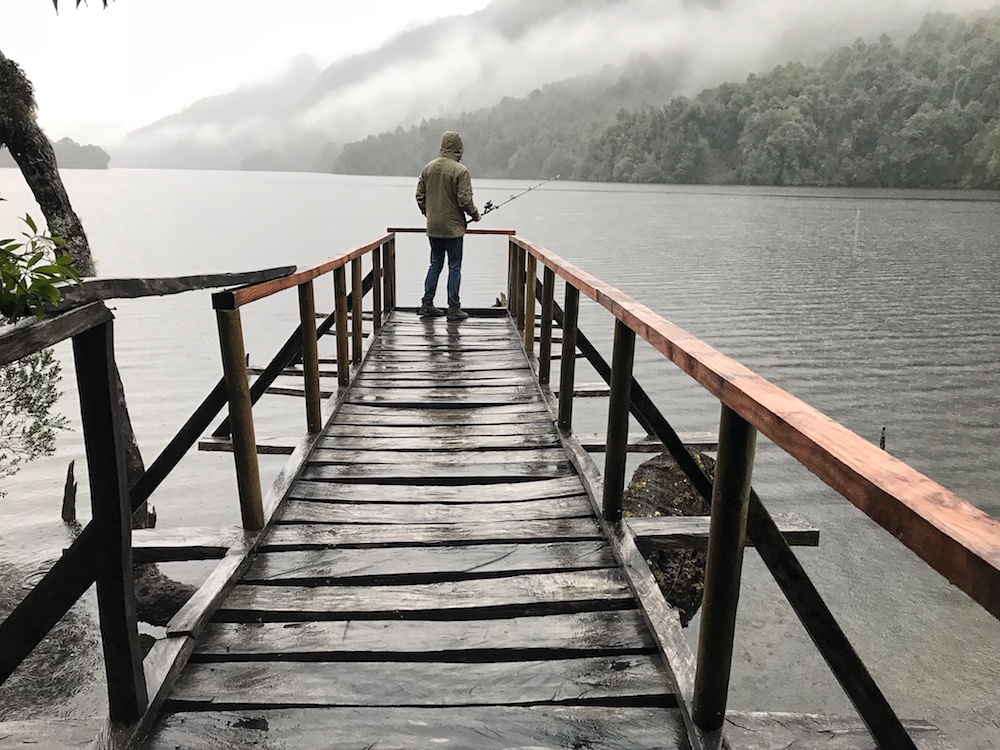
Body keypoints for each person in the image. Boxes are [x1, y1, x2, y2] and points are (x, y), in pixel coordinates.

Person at [416, 131, 480, 321]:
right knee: (454, 267)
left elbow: (420, 197)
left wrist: (429, 214)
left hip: (433, 228)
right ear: (459, 148)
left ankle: (427, 304)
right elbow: (464, 200)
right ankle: (453, 308)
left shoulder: (428, 168)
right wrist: (475, 215)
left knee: (435, 264)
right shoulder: (460, 171)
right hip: (454, 230)